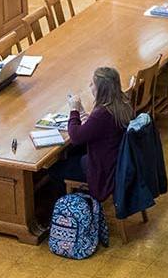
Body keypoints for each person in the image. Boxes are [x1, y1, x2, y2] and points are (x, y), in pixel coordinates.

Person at [50, 67, 134, 201]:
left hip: (102, 170)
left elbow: (76, 137)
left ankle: (66, 215)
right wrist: (87, 117)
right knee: (72, 153)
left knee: (55, 170)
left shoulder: (102, 114)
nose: (89, 86)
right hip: (115, 161)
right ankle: (82, 198)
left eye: (92, 84)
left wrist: (74, 110)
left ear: (101, 89)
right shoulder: (122, 103)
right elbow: (101, 127)